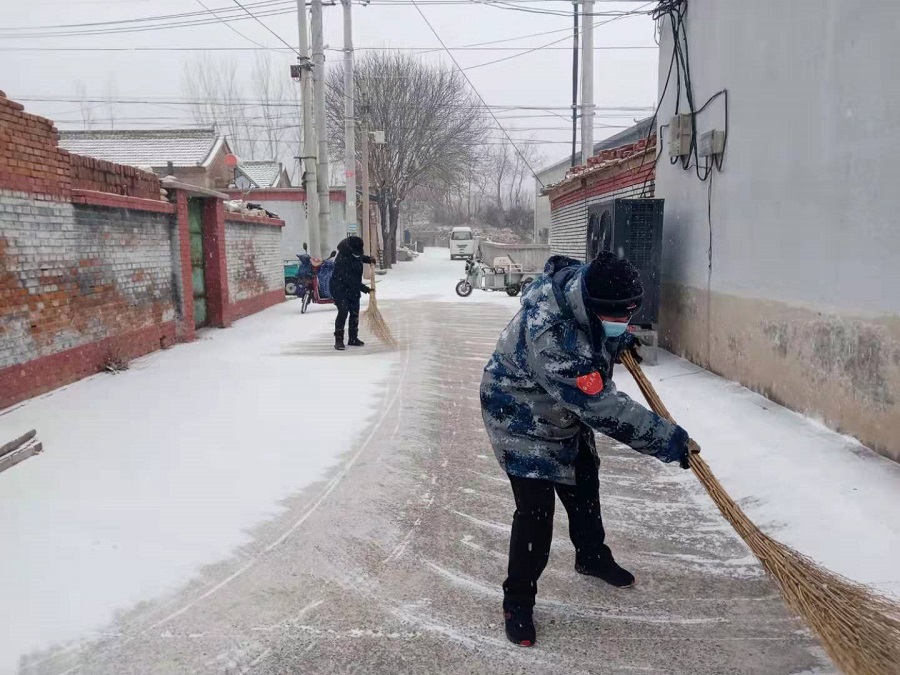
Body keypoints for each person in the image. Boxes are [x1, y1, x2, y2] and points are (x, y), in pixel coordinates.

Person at [480, 251, 697, 648]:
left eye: (627, 315)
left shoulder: (587, 290)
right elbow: (601, 407)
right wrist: (665, 438)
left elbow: (594, 334)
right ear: (594, 307)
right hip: (518, 412)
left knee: (584, 481)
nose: (623, 322)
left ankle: (591, 555)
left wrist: (615, 338)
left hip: (561, 408)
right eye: (618, 317)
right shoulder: (550, 336)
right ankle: (518, 601)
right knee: (536, 511)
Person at [330, 236, 377, 351]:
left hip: (353, 289)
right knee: (343, 311)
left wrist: (368, 259)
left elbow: (359, 258)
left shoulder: (353, 253)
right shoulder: (341, 259)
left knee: (355, 312)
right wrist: (365, 289)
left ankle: (353, 338)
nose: (357, 254)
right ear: (350, 249)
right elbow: (349, 280)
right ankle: (339, 340)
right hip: (339, 288)